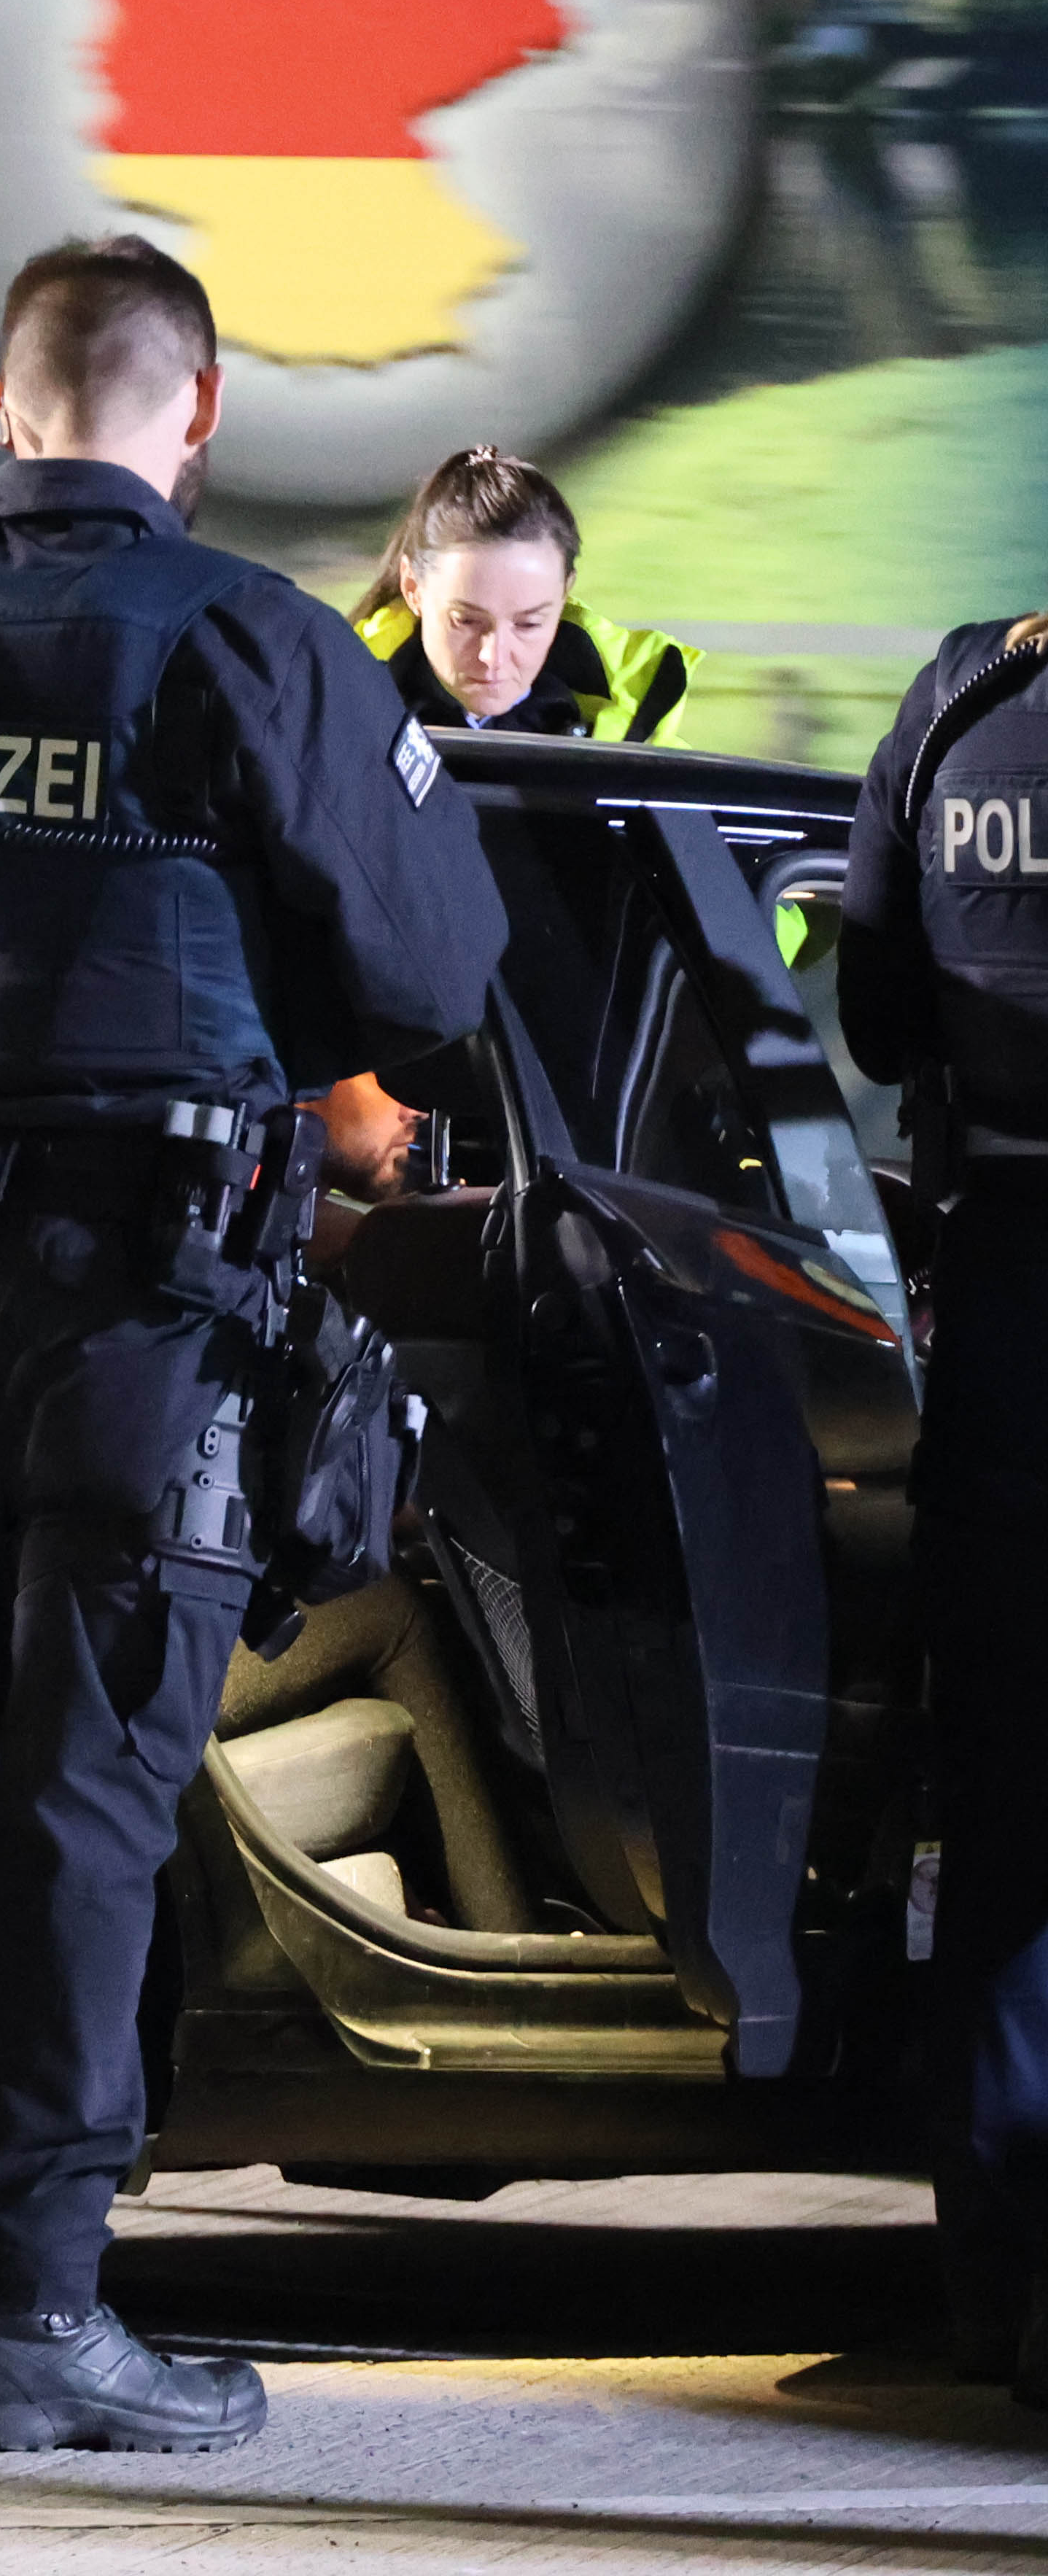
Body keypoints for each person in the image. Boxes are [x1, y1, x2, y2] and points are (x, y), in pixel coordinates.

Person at [0, 234, 506, 2452]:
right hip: (143, 1312)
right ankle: (30, 2319)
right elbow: (432, 976)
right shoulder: (252, 644)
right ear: (199, 413)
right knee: (78, 1813)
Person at [837, 602, 1048, 2399]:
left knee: (1002, 1817)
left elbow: (877, 1006)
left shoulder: (967, 698)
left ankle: (998, 2283)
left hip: (1002, 1309)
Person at [351, 446, 699, 742]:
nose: (493, 657)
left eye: (528, 624)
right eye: (466, 620)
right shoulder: (335, 727)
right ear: (413, 589)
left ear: (564, 597)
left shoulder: (641, 748)